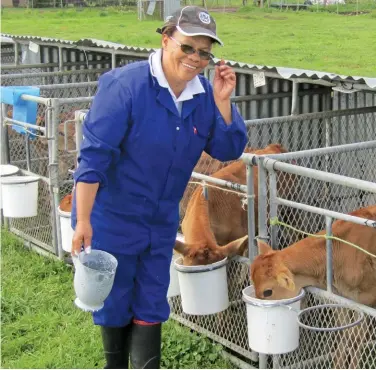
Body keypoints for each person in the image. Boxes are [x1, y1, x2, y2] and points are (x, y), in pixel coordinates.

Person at [70, 6, 248, 369]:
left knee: (151, 299)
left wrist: (223, 102)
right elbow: (94, 159)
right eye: (187, 47)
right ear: (167, 40)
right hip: (114, 217)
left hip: (160, 221)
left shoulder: (201, 97)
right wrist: (83, 221)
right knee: (115, 300)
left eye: (204, 52)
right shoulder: (126, 86)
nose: (195, 58)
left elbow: (228, 149)